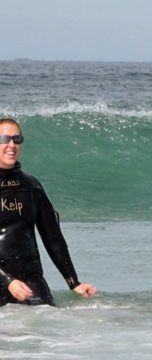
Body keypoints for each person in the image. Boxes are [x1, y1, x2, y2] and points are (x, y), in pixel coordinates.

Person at [0, 117, 97, 306]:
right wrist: (7, 281)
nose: (11, 145)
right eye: (5, 139)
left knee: (50, 326)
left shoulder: (31, 185)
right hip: (2, 280)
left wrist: (73, 282)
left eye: (17, 139)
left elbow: (53, 238)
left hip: (31, 280)